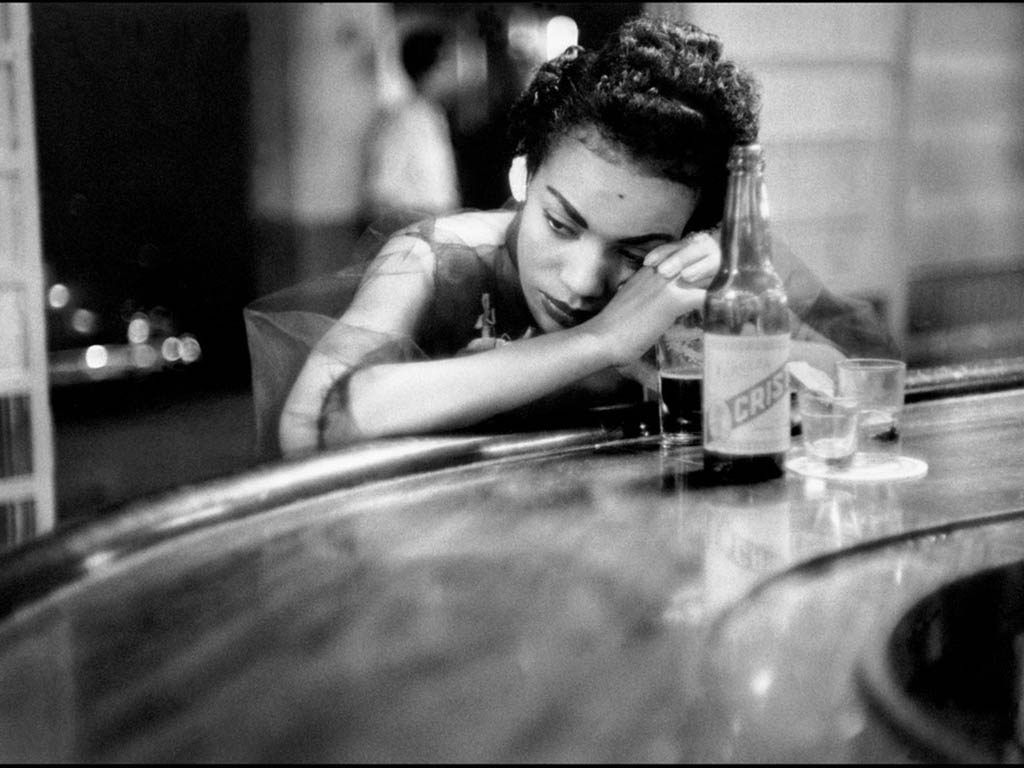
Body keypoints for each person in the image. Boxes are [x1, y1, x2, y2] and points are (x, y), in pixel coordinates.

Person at [245, 14, 899, 460]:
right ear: (525, 176)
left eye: (637, 251)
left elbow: (852, 386)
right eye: (562, 224)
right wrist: (601, 343)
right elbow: (319, 425)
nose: (583, 280)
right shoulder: (436, 258)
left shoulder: (684, 283)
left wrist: (721, 340)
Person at [362, 26, 461, 221]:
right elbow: (381, 193)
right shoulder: (403, 120)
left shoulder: (434, 115)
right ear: (433, 68)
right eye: (448, 62)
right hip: (417, 233)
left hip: (440, 229)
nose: (454, 71)